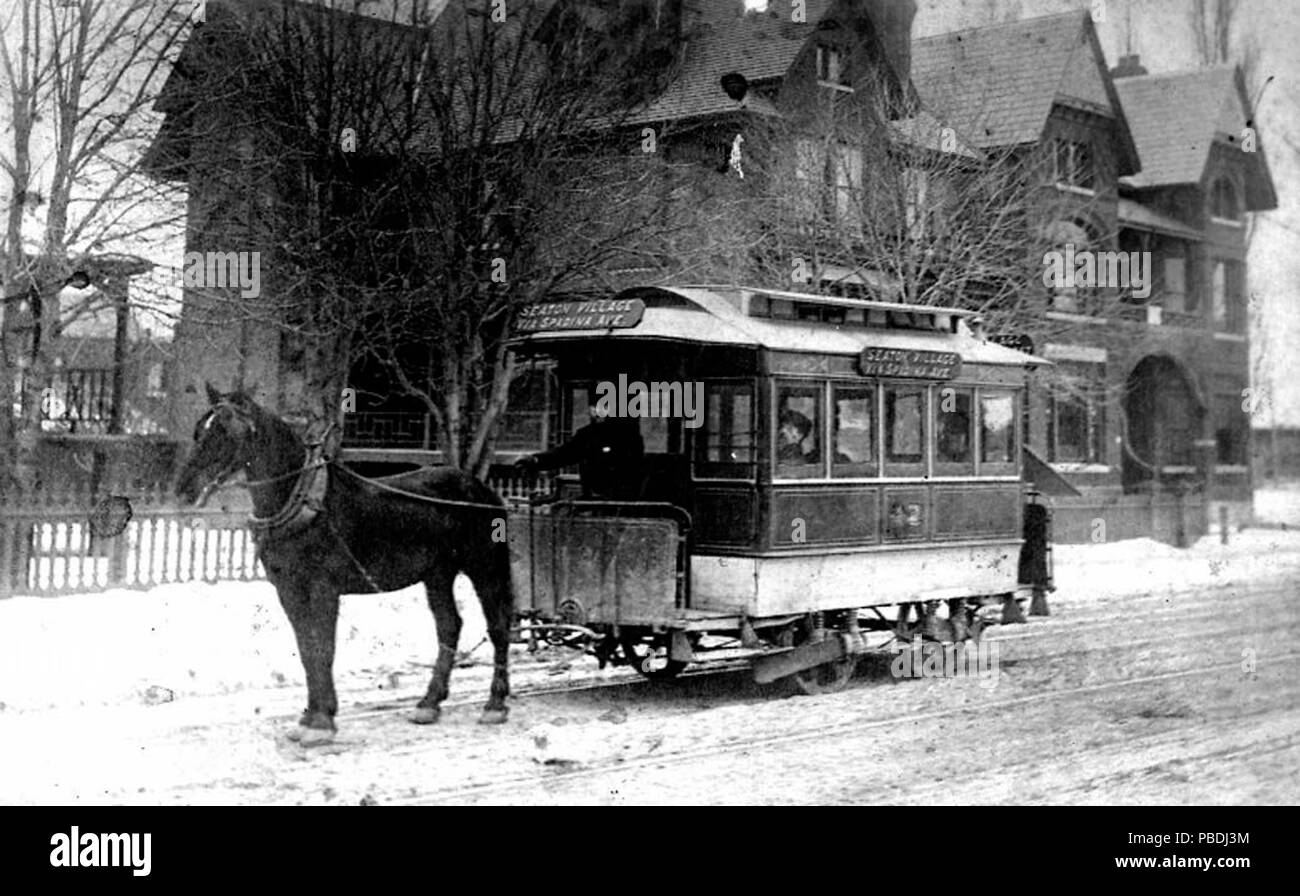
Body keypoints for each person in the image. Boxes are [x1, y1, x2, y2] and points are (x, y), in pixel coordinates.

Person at [516, 383, 645, 500]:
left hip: (620, 499)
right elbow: (566, 454)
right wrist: (536, 460)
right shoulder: (589, 434)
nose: (594, 411)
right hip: (595, 499)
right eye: (593, 407)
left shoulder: (626, 436)